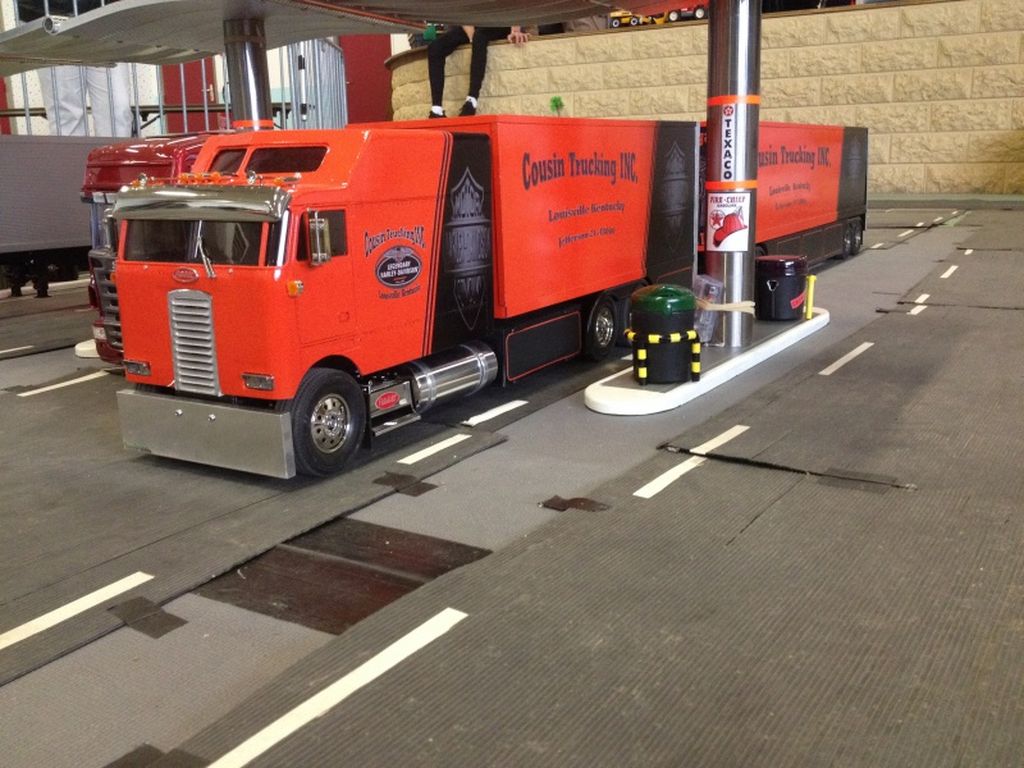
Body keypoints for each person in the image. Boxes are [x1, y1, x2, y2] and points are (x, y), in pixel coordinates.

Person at [17, 0, 133, 137]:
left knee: (118, 110)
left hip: (105, 15)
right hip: (48, 18)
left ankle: (113, 152)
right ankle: (71, 153)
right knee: (65, 115)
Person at [427, 25, 529, 118]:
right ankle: (436, 110)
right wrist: (471, 37)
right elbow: (465, 15)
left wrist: (516, 29)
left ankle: (471, 101)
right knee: (435, 47)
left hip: (502, 23)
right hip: (475, 25)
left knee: (479, 35)